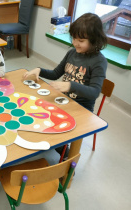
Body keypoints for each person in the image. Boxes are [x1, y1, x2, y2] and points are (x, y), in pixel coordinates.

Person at [23, 13, 108, 159]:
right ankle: (55, 143)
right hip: (63, 101)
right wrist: (39, 70)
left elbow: (94, 92)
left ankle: (67, 156)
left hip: (82, 108)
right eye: (74, 38)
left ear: (95, 40)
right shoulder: (71, 53)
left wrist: (70, 86)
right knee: (35, 109)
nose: (75, 43)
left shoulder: (99, 62)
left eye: (81, 40)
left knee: (55, 124)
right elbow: (56, 73)